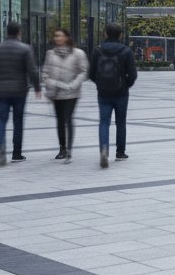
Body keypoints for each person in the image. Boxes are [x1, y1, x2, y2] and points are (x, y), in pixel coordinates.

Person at [0, 21, 40, 164]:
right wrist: (38, 87)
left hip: (1, 90)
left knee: (1, 119)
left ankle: (1, 148)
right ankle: (16, 153)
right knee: (18, 121)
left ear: (6, 31)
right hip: (20, 90)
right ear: (19, 32)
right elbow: (32, 70)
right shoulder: (25, 49)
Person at [89, 22, 137, 169]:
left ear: (105, 33)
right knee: (120, 122)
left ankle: (104, 148)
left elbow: (91, 73)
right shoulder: (126, 51)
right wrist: (125, 85)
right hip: (121, 92)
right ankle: (120, 152)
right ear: (121, 35)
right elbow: (133, 74)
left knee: (104, 122)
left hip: (103, 93)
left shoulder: (98, 50)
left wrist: (99, 84)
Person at [42, 29, 88, 163]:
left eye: (60, 36)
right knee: (60, 120)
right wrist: (52, 82)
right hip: (56, 93)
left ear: (67, 38)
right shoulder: (50, 54)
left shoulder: (78, 54)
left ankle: (69, 149)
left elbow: (83, 71)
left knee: (68, 118)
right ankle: (62, 148)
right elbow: (45, 73)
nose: (57, 38)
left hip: (71, 92)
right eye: (55, 36)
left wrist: (74, 84)